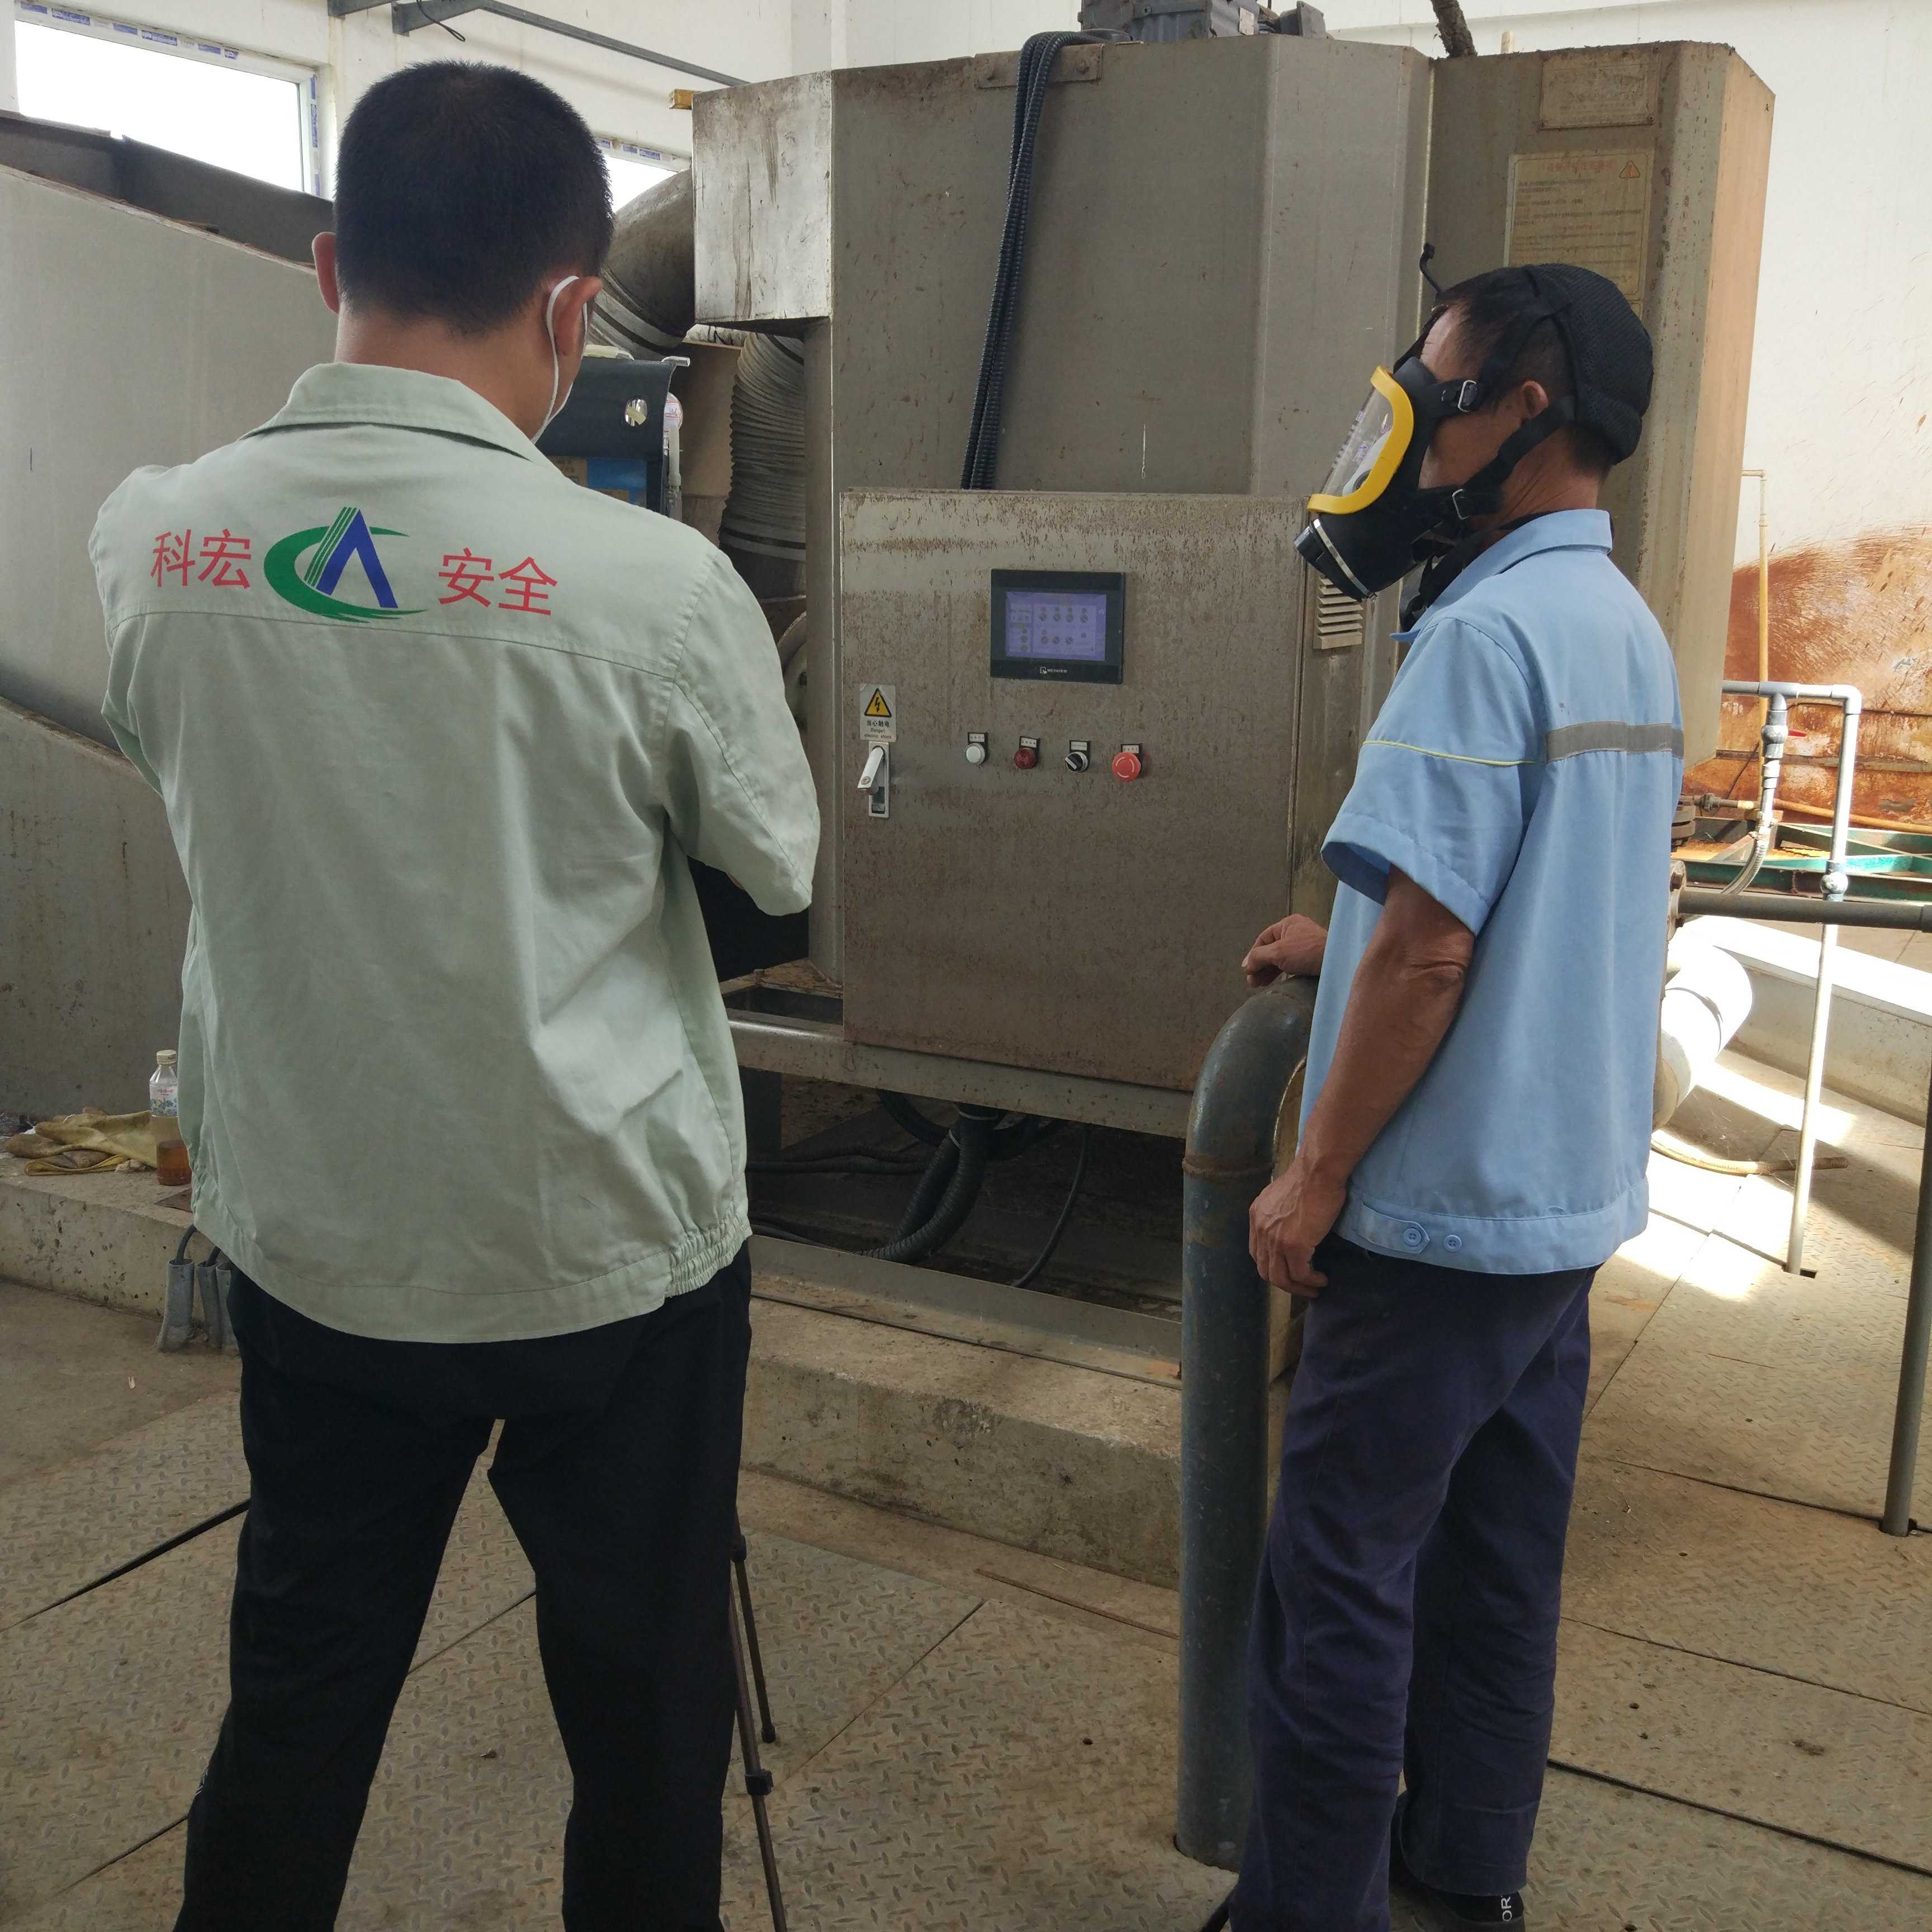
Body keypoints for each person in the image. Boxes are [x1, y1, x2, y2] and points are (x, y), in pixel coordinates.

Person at [90, 63, 817, 1932]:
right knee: (643, 1723)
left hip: (320, 1241)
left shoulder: (155, 542)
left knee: (302, 1691)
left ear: (333, 264)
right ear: (575, 309)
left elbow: (216, 789)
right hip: (608, 1259)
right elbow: (772, 888)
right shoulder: (654, 588)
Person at [1228, 264, 1679, 1932]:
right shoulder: (1620, 622)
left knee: (1337, 1582)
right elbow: (1515, 894)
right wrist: (1336, 937)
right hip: (1559, 1210)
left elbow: (1432, 949)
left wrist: (1316, 1172)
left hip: (1433, 1225)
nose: (1410, 441)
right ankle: (1464, 1868)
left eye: (1434, 401)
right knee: (1497, 1563)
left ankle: (1309, 1909)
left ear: (1521, 412)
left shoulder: (1478, 635)